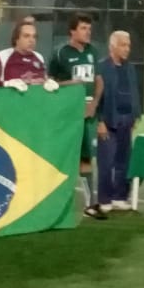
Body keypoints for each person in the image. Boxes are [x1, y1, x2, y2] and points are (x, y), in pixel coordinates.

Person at [49, 13, 104, 219]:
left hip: (89, 113)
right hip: (68, 114)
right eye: (83, 28)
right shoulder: (61, 53)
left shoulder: (93, 51)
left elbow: (99, 80)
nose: (88, 32)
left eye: (89, 29)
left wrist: (94, 105)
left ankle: (91, 204)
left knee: (87, 157)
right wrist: (70, 85)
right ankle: (57, 203)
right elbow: (50, 83)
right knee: (64, 157)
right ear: (72, 31)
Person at [94, 30, 140, 212]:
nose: (127, 49)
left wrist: (135, 115)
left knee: (124, 161)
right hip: (108, 120)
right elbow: (96, 97)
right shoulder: (101, 68)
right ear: (112, 46)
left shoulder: (130, 68)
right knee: (106, 162)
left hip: (126, 120)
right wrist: (99, 121)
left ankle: (120, 196)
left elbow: (134, 92)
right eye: (123, 45)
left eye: (128, 45)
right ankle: (105, 199)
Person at [0, 19, 52, 87]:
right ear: (16, 39)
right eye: (26, 36)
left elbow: (45, 79)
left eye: (34, 36)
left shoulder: (39, 57)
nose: (31, 40)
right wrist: (7, 84)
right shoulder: (2, 56)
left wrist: (48, 82)